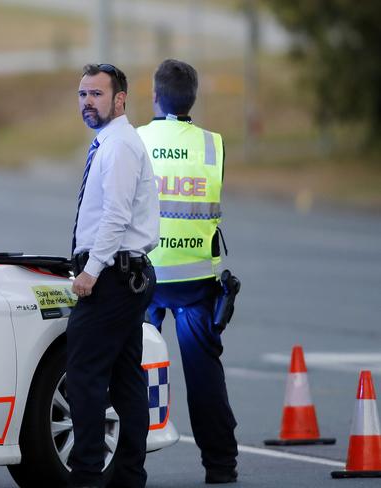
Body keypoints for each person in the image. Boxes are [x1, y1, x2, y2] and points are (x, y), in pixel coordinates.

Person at [136, 59, 238, 484]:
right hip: (195, 282)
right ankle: (220, 464)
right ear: (192, 97)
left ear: (155, 95)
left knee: (134, 368)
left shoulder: (135, 141)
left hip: (142, 277)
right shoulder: (213, 146)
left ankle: (128, 461)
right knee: (202, 373)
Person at [67, 63, 159, 488]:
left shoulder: (120, 145)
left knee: (84, 376)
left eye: (97, 95)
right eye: (83, 94)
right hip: (124, 275)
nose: (88, 102)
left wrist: (90, 270)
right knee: (125, 381)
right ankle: (127, 477)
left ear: (119, 99)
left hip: (112, 277)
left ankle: (86, 475)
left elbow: (116, 217)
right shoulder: (110, 142)